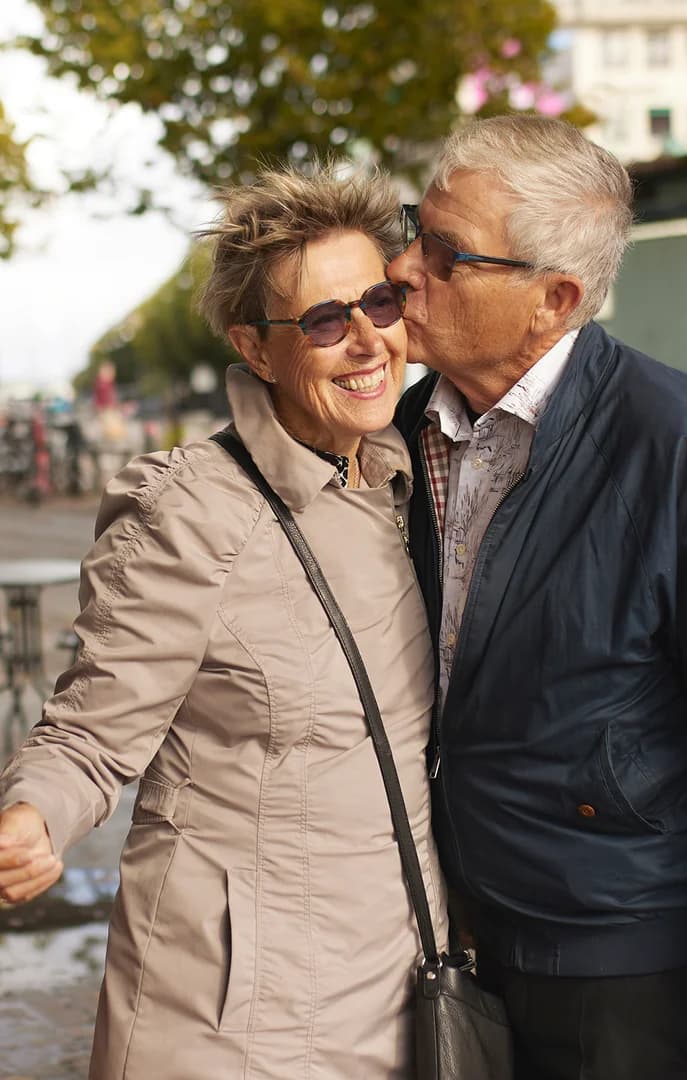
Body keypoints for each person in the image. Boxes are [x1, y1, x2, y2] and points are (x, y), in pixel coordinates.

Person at [0, 162, 447, 1079]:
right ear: (253, 347)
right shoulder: (191, 509)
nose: (365, 340)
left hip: (404, 987)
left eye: (378, 303)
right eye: (325, 320)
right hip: (239, 1018)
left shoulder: (417, 477)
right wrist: (32, 817)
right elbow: (90, 732)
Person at [390, 114, 687, 1080]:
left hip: (617, 947)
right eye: (413, 232)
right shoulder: (404, 424)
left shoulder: (667, 440)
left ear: (551, 300)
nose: (404, 270)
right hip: (452, 920)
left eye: (445, 254)